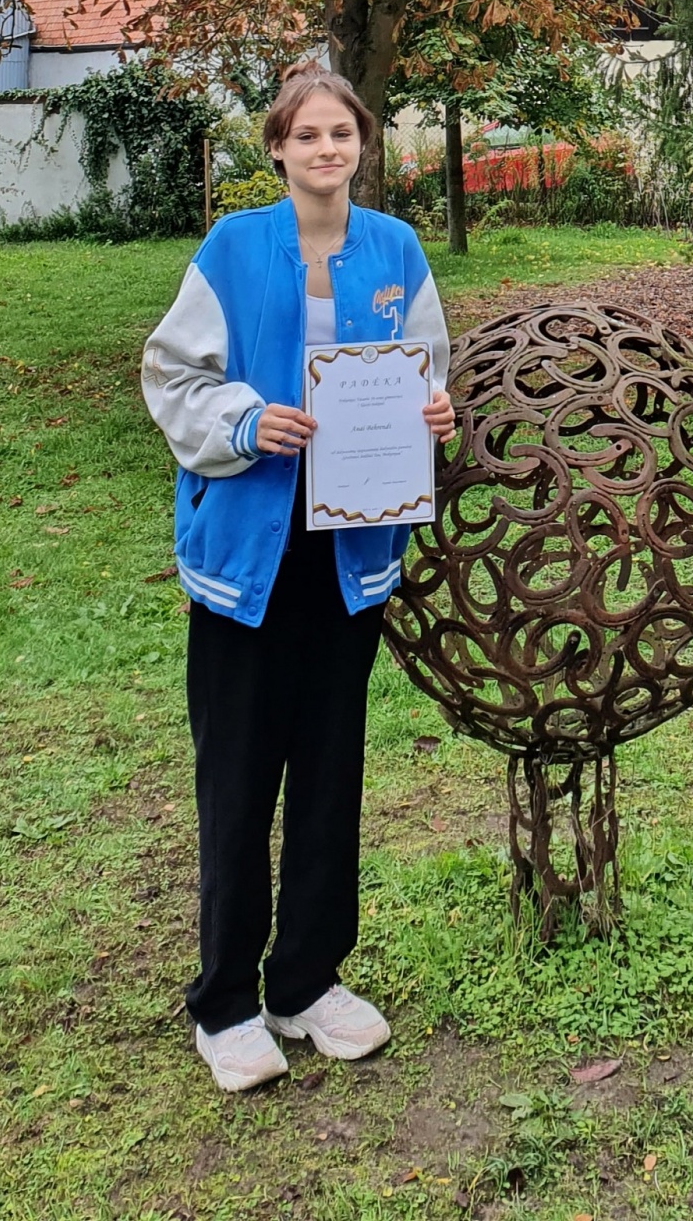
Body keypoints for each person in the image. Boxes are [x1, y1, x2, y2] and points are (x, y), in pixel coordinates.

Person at [141, 66, 456, 1091]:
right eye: (308, 135)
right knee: (239, 778)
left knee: (330, 773)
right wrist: (244, 421)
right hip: (249, 553)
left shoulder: (396, 251)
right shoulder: (234, 249)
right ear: (277, 148)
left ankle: (307, 979)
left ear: (363, 145)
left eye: (343, 134)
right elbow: (173, 373)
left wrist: (436, 410)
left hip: (348, 552)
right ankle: (227, 999)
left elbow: (428, 363)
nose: (327, 150)